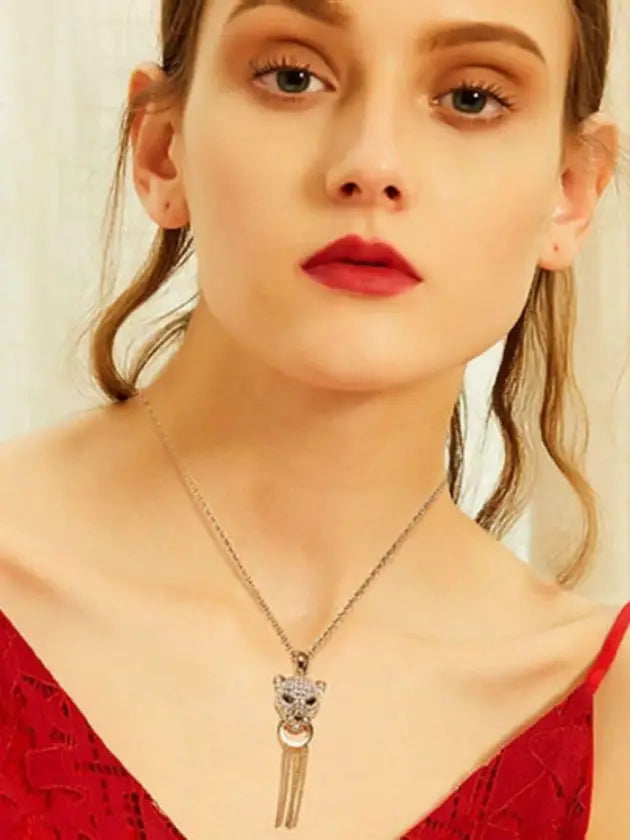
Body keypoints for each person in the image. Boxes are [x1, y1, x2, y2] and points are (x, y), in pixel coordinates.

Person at [0, 0, 628, 837]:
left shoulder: (606, 715)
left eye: (470, 98)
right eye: (292, 77)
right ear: (162, 150)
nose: (372, 165)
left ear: (571, 194)